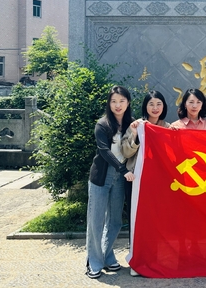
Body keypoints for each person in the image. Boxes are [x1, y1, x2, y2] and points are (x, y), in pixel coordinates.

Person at [86, 85, 135, 279]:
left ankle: (107, 256)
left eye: (122, 101)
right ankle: (94, 262)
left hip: (121, 178)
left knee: (115, 220)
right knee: (96, 220)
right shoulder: (102, 124)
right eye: (114, 101)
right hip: (101, 177)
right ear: (109, 103)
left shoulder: (131, 124)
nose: (118, 105)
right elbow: (104, 151)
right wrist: (123, 170)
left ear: (128, 103)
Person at [121, 90, 170, 277]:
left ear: (164, 106)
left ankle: (154, 259)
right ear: (145, 106)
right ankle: (137, 261)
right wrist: (134, 135)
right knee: (137, 221)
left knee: (155, 222)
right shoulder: (137, 125)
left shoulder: (168, 127)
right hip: (137, 181)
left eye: (159, 104)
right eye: (151, 104)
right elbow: (126, 152)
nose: (155, 108)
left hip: (159, 183)